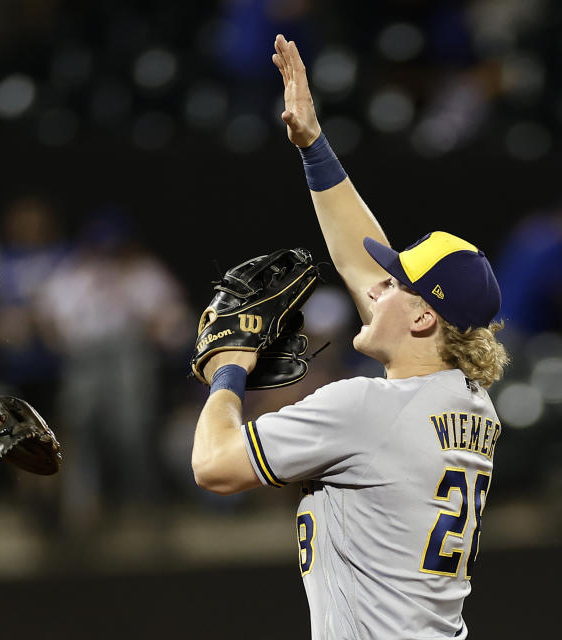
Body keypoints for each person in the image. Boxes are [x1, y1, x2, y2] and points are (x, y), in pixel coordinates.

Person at [191, 35, 509, 639]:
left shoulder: (365, 408)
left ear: (422, 321)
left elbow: (213, 466)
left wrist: (228, 370)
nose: (376, 288)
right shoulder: (471, 401)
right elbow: (367, 271)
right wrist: (314, 146)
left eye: (396, 286)